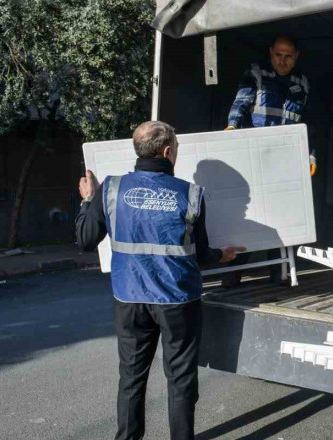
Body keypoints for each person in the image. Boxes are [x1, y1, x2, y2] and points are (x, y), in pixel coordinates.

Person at [75, 121, 245, 440]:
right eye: (176, 149)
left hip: (129, 300)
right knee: (180, 379)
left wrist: (88, 200)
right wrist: (221, 256)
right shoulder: (191, 195)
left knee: (131, 379)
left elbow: (85, 240)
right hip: (178, 301)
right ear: (168, 152)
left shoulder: (110, 189)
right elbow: (200, 252)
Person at [221, 34, 312, 287]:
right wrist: (232, 126)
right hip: (254, 158)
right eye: (278, 55)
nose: (282, 61)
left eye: (288, 56)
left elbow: (308, 122)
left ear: (297, 57)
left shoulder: (302, 81)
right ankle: (232, 275)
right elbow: (241, 102)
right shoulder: (256, 73)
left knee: (280, 219)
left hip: (284, 161)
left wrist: (310, 154)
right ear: (271, 52)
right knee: (251, 218)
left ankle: (279, 276)